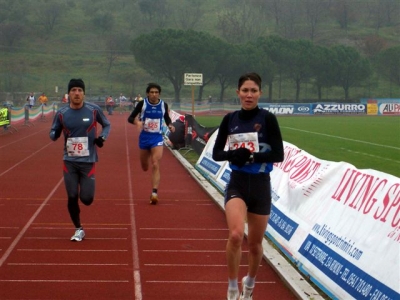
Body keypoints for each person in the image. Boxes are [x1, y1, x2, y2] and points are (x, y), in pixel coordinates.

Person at [212, 72, 284, 300]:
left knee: (254, 245)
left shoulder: (268, 118)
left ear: (260, 93)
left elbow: (278, 154)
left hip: (261, 186)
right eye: (245, 90)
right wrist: (235, 154)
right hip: (238, 183)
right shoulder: (230, 119)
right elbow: (216, 153)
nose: (249, 95)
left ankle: (249, 284)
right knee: (235, 235)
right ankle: (232, 287)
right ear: (238, 93)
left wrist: (252, 157)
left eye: (253, 91)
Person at [49, 78, 111, 242]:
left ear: (84, 93)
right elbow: (53, 131)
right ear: (68, 93)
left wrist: (102, 138)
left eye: (79, 90)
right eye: (73, 90)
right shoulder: (62, 113)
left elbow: (107, 124)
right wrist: (54, 135)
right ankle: (78, 228)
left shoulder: (93, 110)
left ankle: (81, 217)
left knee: (87, 199)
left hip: (88, 162)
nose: (76, 93)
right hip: (69, 161)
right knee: (71, 196)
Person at [127, 83, 175, 205]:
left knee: (155, 163)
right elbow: (130, 118)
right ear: (148, 93)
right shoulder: (142, 104)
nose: (154, 94)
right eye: (152, 92)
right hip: (144, 137)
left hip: (157, 137)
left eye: (156, 92)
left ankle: (154, 193)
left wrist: (170, 125)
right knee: (145, 167)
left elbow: (166, 117)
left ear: (159, 93)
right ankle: (146, 162)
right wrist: (137, 122)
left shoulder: (163, 104)